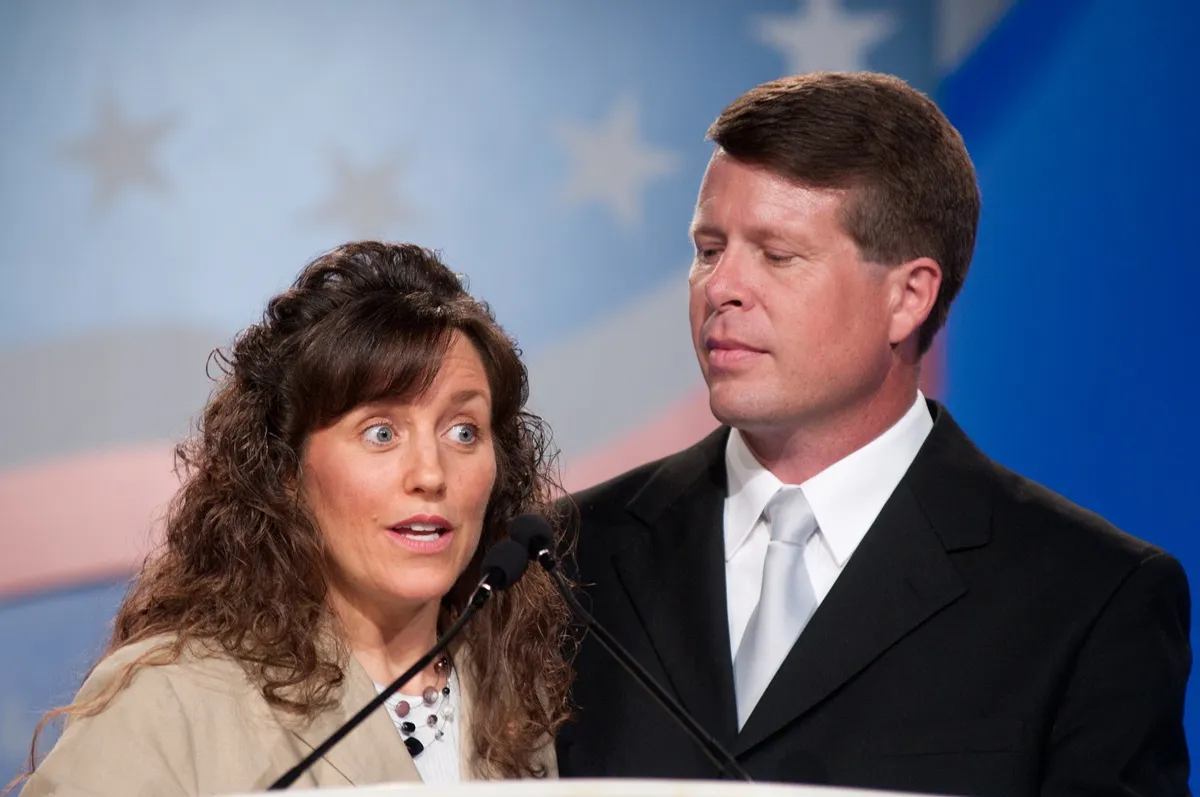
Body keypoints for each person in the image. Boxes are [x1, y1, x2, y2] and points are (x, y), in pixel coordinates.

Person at [556, 72, 1191, 796]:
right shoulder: (564, 561)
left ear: (908, 297)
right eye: (708, 248)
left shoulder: (1088, 599)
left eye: (776, 253)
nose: (720, 287)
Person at [18, 241, 572, 796]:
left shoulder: (515, 704)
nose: (431, 473)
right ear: (287, 468)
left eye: (463, 432)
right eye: (381, 432)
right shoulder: (170, 705)